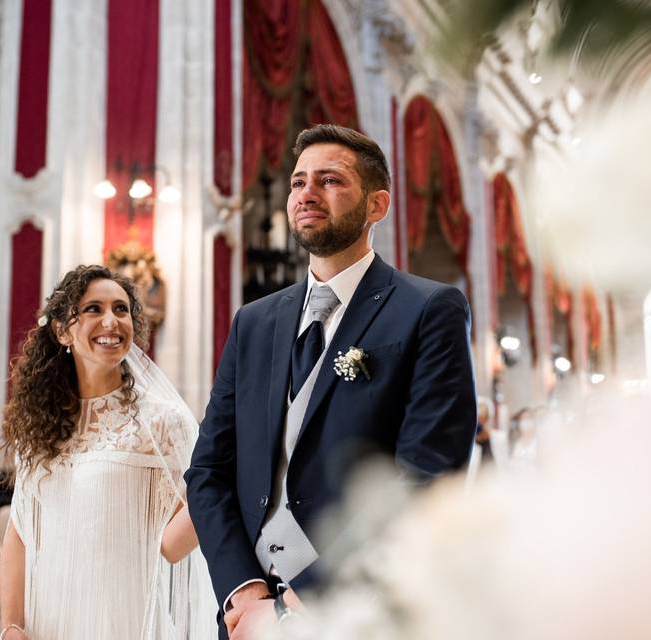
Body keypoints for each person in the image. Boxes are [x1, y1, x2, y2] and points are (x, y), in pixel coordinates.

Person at [186, 124, 477, 639]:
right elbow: (208, 469)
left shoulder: (428, 309)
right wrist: (245, 592)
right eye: (298, 182)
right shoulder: (253, 323)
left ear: (376, 205)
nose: (306, 193)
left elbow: (428, 473)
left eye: (330, 180)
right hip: (246, 616)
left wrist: (301, 600)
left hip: (360, 611)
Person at [0, 265, 215, 640]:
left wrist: (224, 478)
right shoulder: (39, 426)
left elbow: (174, 547)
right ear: (63, 330)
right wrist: (12, 626)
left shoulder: (162, 421)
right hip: (49, 617)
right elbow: (19, 537)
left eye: (121, 309)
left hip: (123, 618)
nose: (111, 321)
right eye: (94, 309)